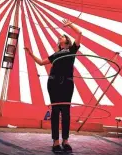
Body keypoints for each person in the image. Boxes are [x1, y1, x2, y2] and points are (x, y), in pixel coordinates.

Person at [24, 19, 82, 153]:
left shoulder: (72, 49)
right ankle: (56, 141)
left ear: (66, 41)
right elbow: (40, 62)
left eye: (62, 36)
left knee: (66, 112)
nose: (60, 37)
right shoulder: (55, 54)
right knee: (56, 112)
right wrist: (30, 53)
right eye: (60, 37)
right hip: (54, 82)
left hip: (67, 83)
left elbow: (80, 33)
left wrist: (70, 25)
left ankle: (65, 140)